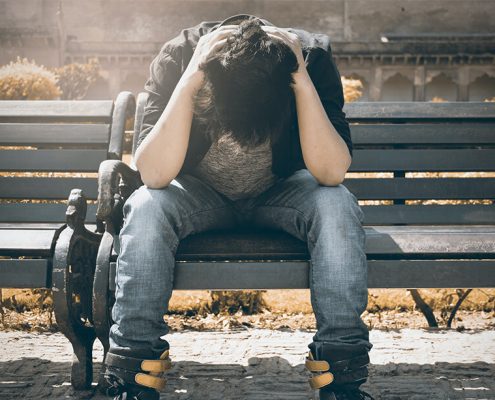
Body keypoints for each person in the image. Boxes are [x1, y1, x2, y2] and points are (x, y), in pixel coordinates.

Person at [100, 14, 373, 400]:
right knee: (146, 205)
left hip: (281, 193)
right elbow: (155, 174)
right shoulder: (180, 57)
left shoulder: (310, 59)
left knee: (336, 203)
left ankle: (342, 380)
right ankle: (131, 376)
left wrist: (300, 81)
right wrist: (192, 78)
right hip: (199, 195)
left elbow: (330, 172)